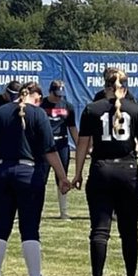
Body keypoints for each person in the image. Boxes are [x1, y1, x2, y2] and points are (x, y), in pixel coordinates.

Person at [0, 82, 71, 276]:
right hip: (29, 174)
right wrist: (62, 176)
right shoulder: (38, 115)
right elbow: (50, 151)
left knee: (0, 227)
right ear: (33, 96)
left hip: (2, 172)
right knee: (29, 228)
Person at [74, 67, 138, 276]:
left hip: (101, 169)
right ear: (125, 85)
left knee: (100, 229)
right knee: (129, 229)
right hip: (127, 170)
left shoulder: (92, 109)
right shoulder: (136, 109)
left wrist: (77, 173)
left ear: (105, 85)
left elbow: (82, 144)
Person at [42, 80, 78, 221]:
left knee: (62, 178)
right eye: (56, 94)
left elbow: (72, 127)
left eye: (61, 95)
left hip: (62, 144)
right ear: (50, 92)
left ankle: (63, 212)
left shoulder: (67, 106)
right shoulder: (41, 105)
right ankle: (38, 210)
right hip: (45, 145)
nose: (58, 98)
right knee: (41, 178)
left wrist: (80, 146)